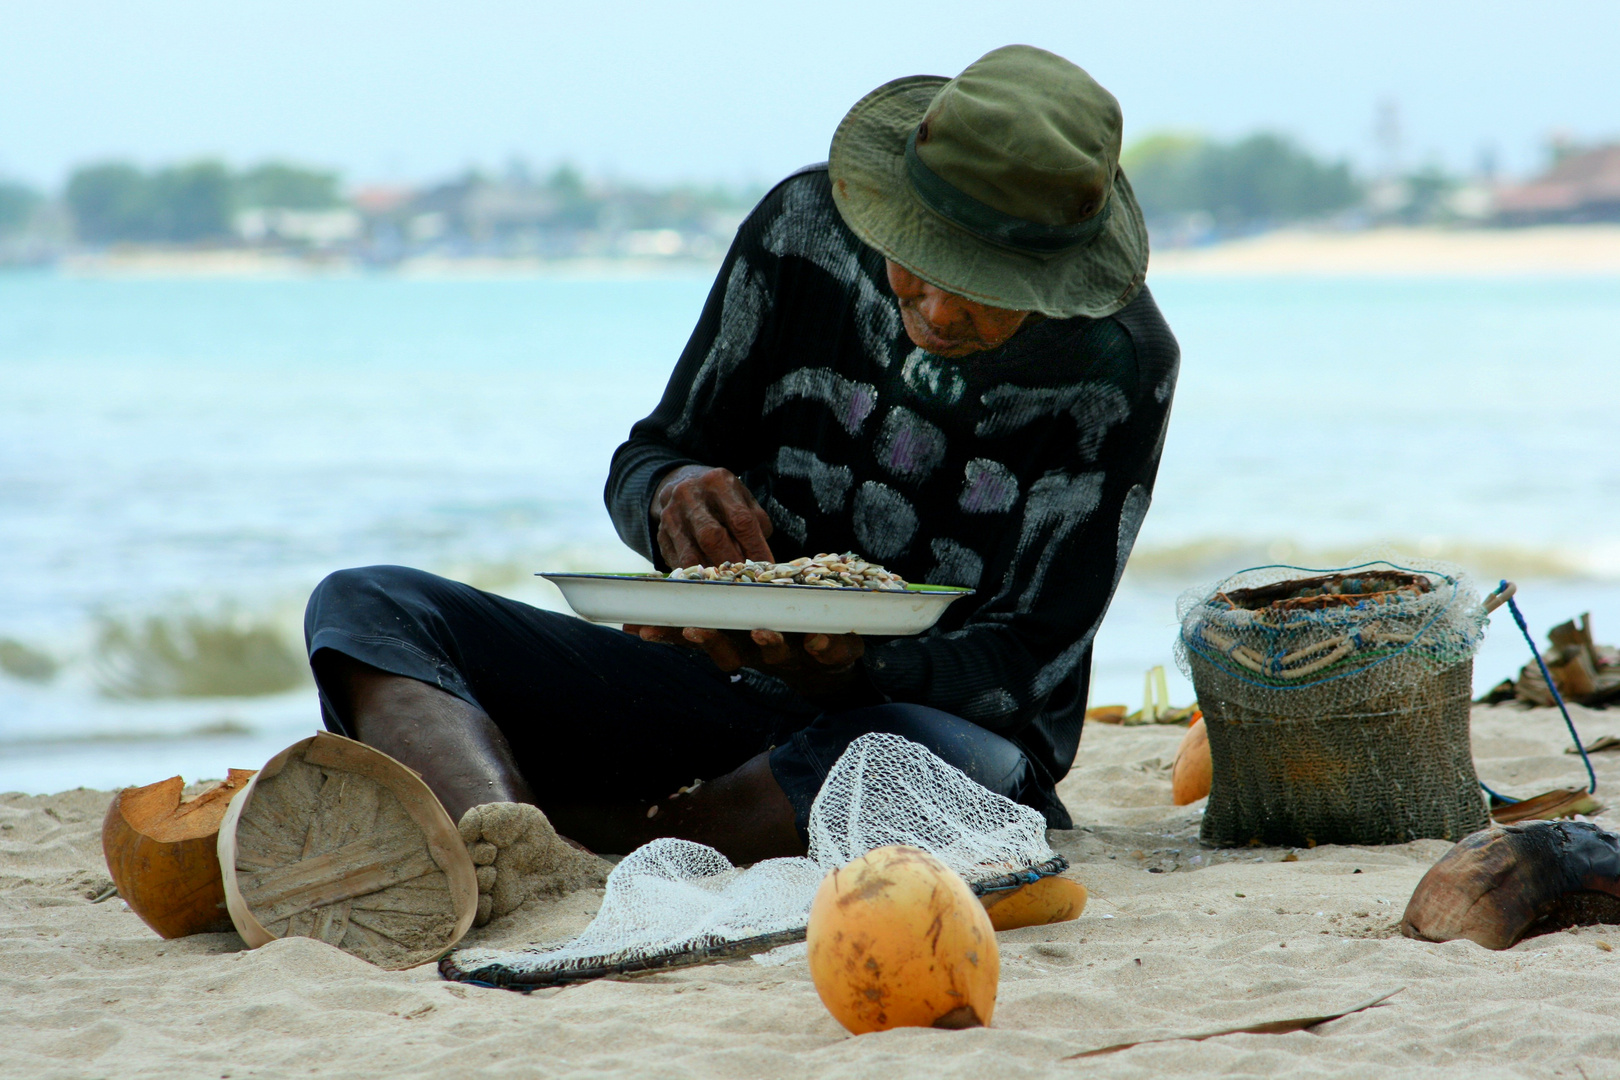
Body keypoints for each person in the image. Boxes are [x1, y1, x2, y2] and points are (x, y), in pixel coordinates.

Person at [303, 44, 1179, 924]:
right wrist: (671, 495)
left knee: (887, 756)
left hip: (931, 738)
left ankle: (618, 836)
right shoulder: (802, 226)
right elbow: (649, 455)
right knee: (367, 605)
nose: (942, 311)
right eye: (922, 259)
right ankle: (506, 837)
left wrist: (850, 670)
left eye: (990, 287)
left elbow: (1030, 664)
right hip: (712, 696)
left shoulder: (1119, 365)